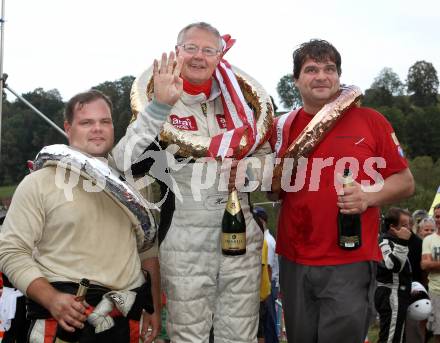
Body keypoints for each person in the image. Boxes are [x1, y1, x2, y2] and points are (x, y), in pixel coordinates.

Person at [112, 22, 271, 343]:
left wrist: (250, 172)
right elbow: (122, 162)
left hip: (242, 240)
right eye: (191, 48)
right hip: (184, 244)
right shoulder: (158, 99)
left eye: (209, 50)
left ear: (220, 55)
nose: (199, 56)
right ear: (177, 51)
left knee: (241, 336)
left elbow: (272, 163)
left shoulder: (242, 102)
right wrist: (158, 107)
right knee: (188, 337)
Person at [271, 39, 415, 343]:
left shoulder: (370, 120)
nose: (321, 76)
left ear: (339, 76)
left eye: (329, 69)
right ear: (296, 80)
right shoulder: (280, 127)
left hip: (349, 260)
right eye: (311, 69)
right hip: (293, 259)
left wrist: (368, 195)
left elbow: (405, 181)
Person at [0, 90, 160, 343]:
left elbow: (148, 252)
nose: (97, 129)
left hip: (125, 322)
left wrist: (152, 307)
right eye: (86, 122)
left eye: (104, 122)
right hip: (64, 320)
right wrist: (50, 298)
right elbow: (10, 251)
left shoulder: (136, 186)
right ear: (68, 127)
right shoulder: (39, 183)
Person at [375, 207, 412, 343]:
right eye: (404, 225)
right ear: (392, 227)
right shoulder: (384, 241)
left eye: (409, 224)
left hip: (398, 293)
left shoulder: (397, 240)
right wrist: (402, 243)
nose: (408, 228)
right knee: (390, 338)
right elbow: (394, 266)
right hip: (390, 293)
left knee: (397, 336)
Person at [253, 207, 279, 343]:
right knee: (266, 324)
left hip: (265, 289)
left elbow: (267, 268)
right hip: (266, 288)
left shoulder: (266, 241)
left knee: (266, 325)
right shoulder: (265, 240)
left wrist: (265, 293)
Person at [421, 203, 440, 343]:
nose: (439, 219)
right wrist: (430, 264)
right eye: (437, 216)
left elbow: (430, 263)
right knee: (438, 331)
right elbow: (425, 264)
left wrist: (434, 264)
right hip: (436, 291)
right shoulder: (429, 240)